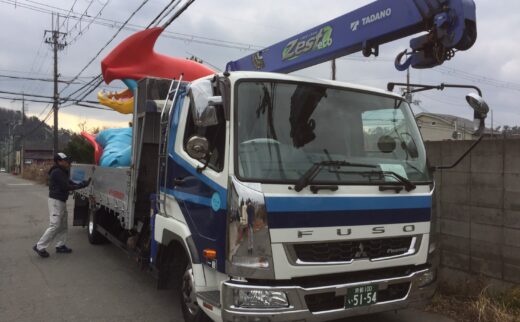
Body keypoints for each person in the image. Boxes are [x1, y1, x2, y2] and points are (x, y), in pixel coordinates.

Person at [33, 152, 91, 258]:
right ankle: (40, 246)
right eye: (65, 160)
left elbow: (70, 182)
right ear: (59, 161)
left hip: (61, 201)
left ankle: (60, 245)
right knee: (55, 225)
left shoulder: (62, 171)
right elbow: (66, 186)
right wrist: (82, 185)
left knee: (63, 225)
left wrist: (82, 183)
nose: (67, 162)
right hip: (56, 201)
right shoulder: (57, 172)